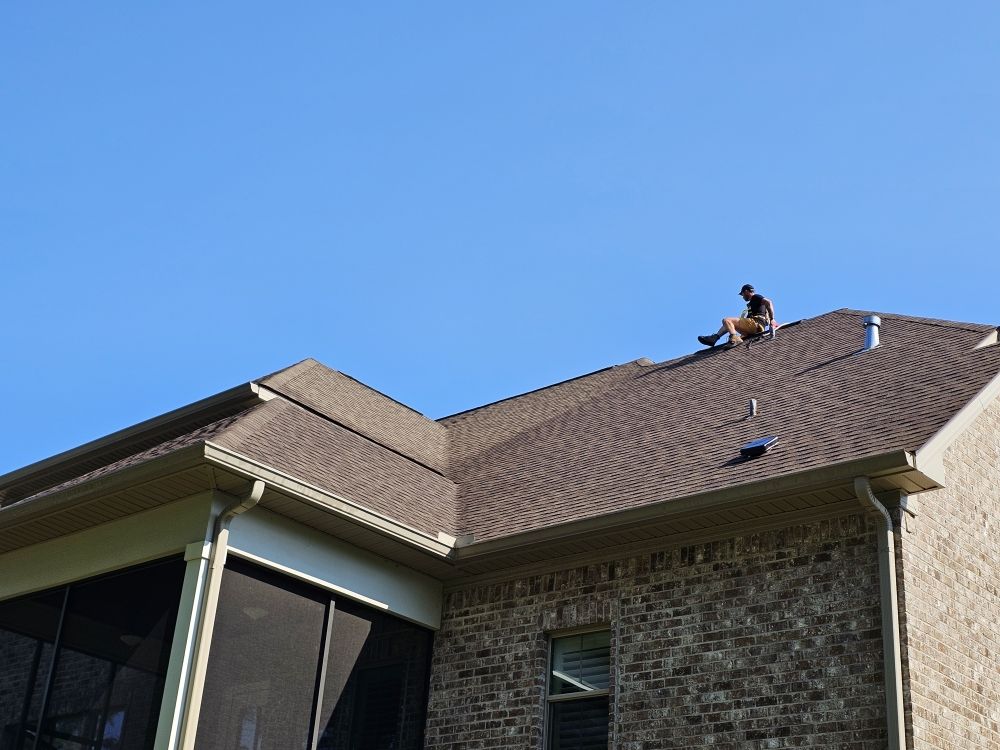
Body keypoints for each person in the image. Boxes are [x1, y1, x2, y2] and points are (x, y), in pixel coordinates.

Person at [698, 284, 778, 348]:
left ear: (746, 291)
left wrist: (772, 319)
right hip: (754, 327)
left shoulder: (755, 297)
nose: (742, 297)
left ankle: (734, 338)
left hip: (756, 324)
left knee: (727, 320)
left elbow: (769, 302)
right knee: (728, 325)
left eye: (742, 294)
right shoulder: (752, 304)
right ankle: (714, 338)